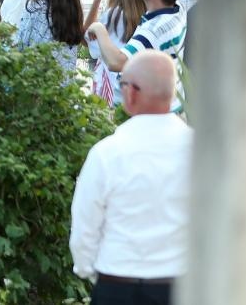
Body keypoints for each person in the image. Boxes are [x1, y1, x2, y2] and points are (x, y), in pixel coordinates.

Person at [68, 51, 190, 305]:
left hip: (117, 283)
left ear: (132, 92)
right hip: (181, 285)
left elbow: (85, 226)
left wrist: (93, 271)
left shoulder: (107, 153)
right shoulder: (200, 151)